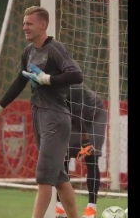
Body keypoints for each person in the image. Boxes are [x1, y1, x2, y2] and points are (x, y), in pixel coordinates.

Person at [0, 6, 83, 218]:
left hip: (55, 118)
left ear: (42, 25)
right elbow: (20, 81)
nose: (24, 28)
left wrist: (48, 79)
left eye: (29, 24)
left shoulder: (55, 49)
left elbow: (76, 74)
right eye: (24, 24)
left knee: (44, 178)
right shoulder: (28, 52)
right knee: (59, 179)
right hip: (39, 116)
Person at [55, 83, 108, 218]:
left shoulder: (73, 87)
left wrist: (86, 142)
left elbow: (78, 117)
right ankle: (60, 205)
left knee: (91, 157)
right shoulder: (47, 89)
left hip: (94, 115)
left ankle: (91, 208)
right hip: (75, 119)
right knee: (63, 157)